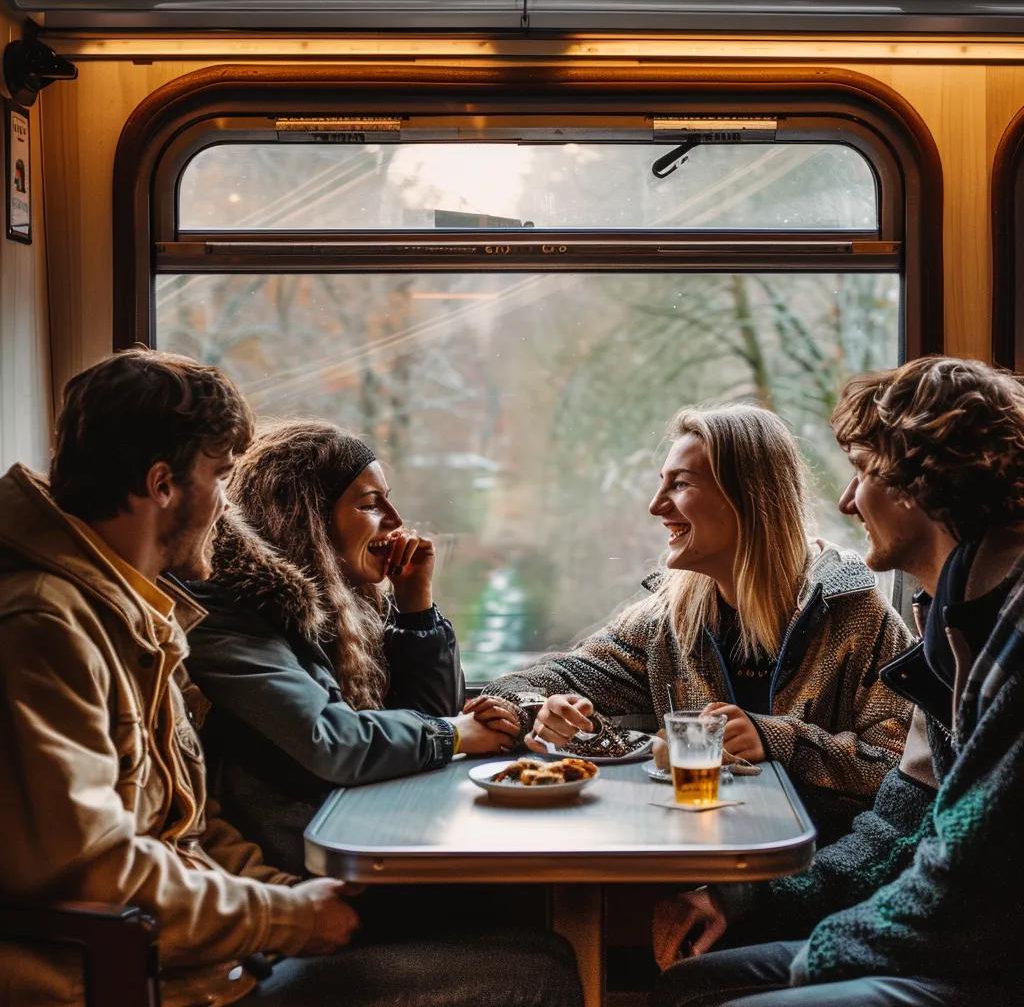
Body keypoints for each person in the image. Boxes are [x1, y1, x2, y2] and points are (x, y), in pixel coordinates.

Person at [0, 349, 581, 1007]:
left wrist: (282, 900)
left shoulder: (136, 613)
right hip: (138, 984)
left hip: (205, 958)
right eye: (219, 477)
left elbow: (191, 826)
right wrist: (285, 918)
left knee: (537, 945)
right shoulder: (45, 625)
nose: (227, 509)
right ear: (163, 485)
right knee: (539, 977)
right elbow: (94, 868)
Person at [651, 357, 1024, 1007]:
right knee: (690, 985)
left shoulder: (1009, 641)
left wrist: (827, 954)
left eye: (863, 473)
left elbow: (963, 886)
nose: (848, 501)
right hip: (946, 940)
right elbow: (896, 833)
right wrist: (741, 900)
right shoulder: (948, 634)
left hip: (987, 967)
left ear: (919, 482)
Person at [478, 405, 913, 843]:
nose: (655, 506)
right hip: (697, 853)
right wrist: (533, 713)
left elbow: (901, 772)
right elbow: (548, 679)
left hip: (814, 873)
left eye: (680, 484)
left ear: (750, 496)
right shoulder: (668, 619)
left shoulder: (857, 617)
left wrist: (777, 740)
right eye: (660, 484)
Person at [185, 420, 518, 875]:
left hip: (364, 832)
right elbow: (330, 740)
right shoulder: (236, 615)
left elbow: (431, 713)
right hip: (301, 862)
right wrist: (454, 734)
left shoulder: (351, 604)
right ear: (308, 519)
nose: (397, 521)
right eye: (370, 504)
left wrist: (416, 609)